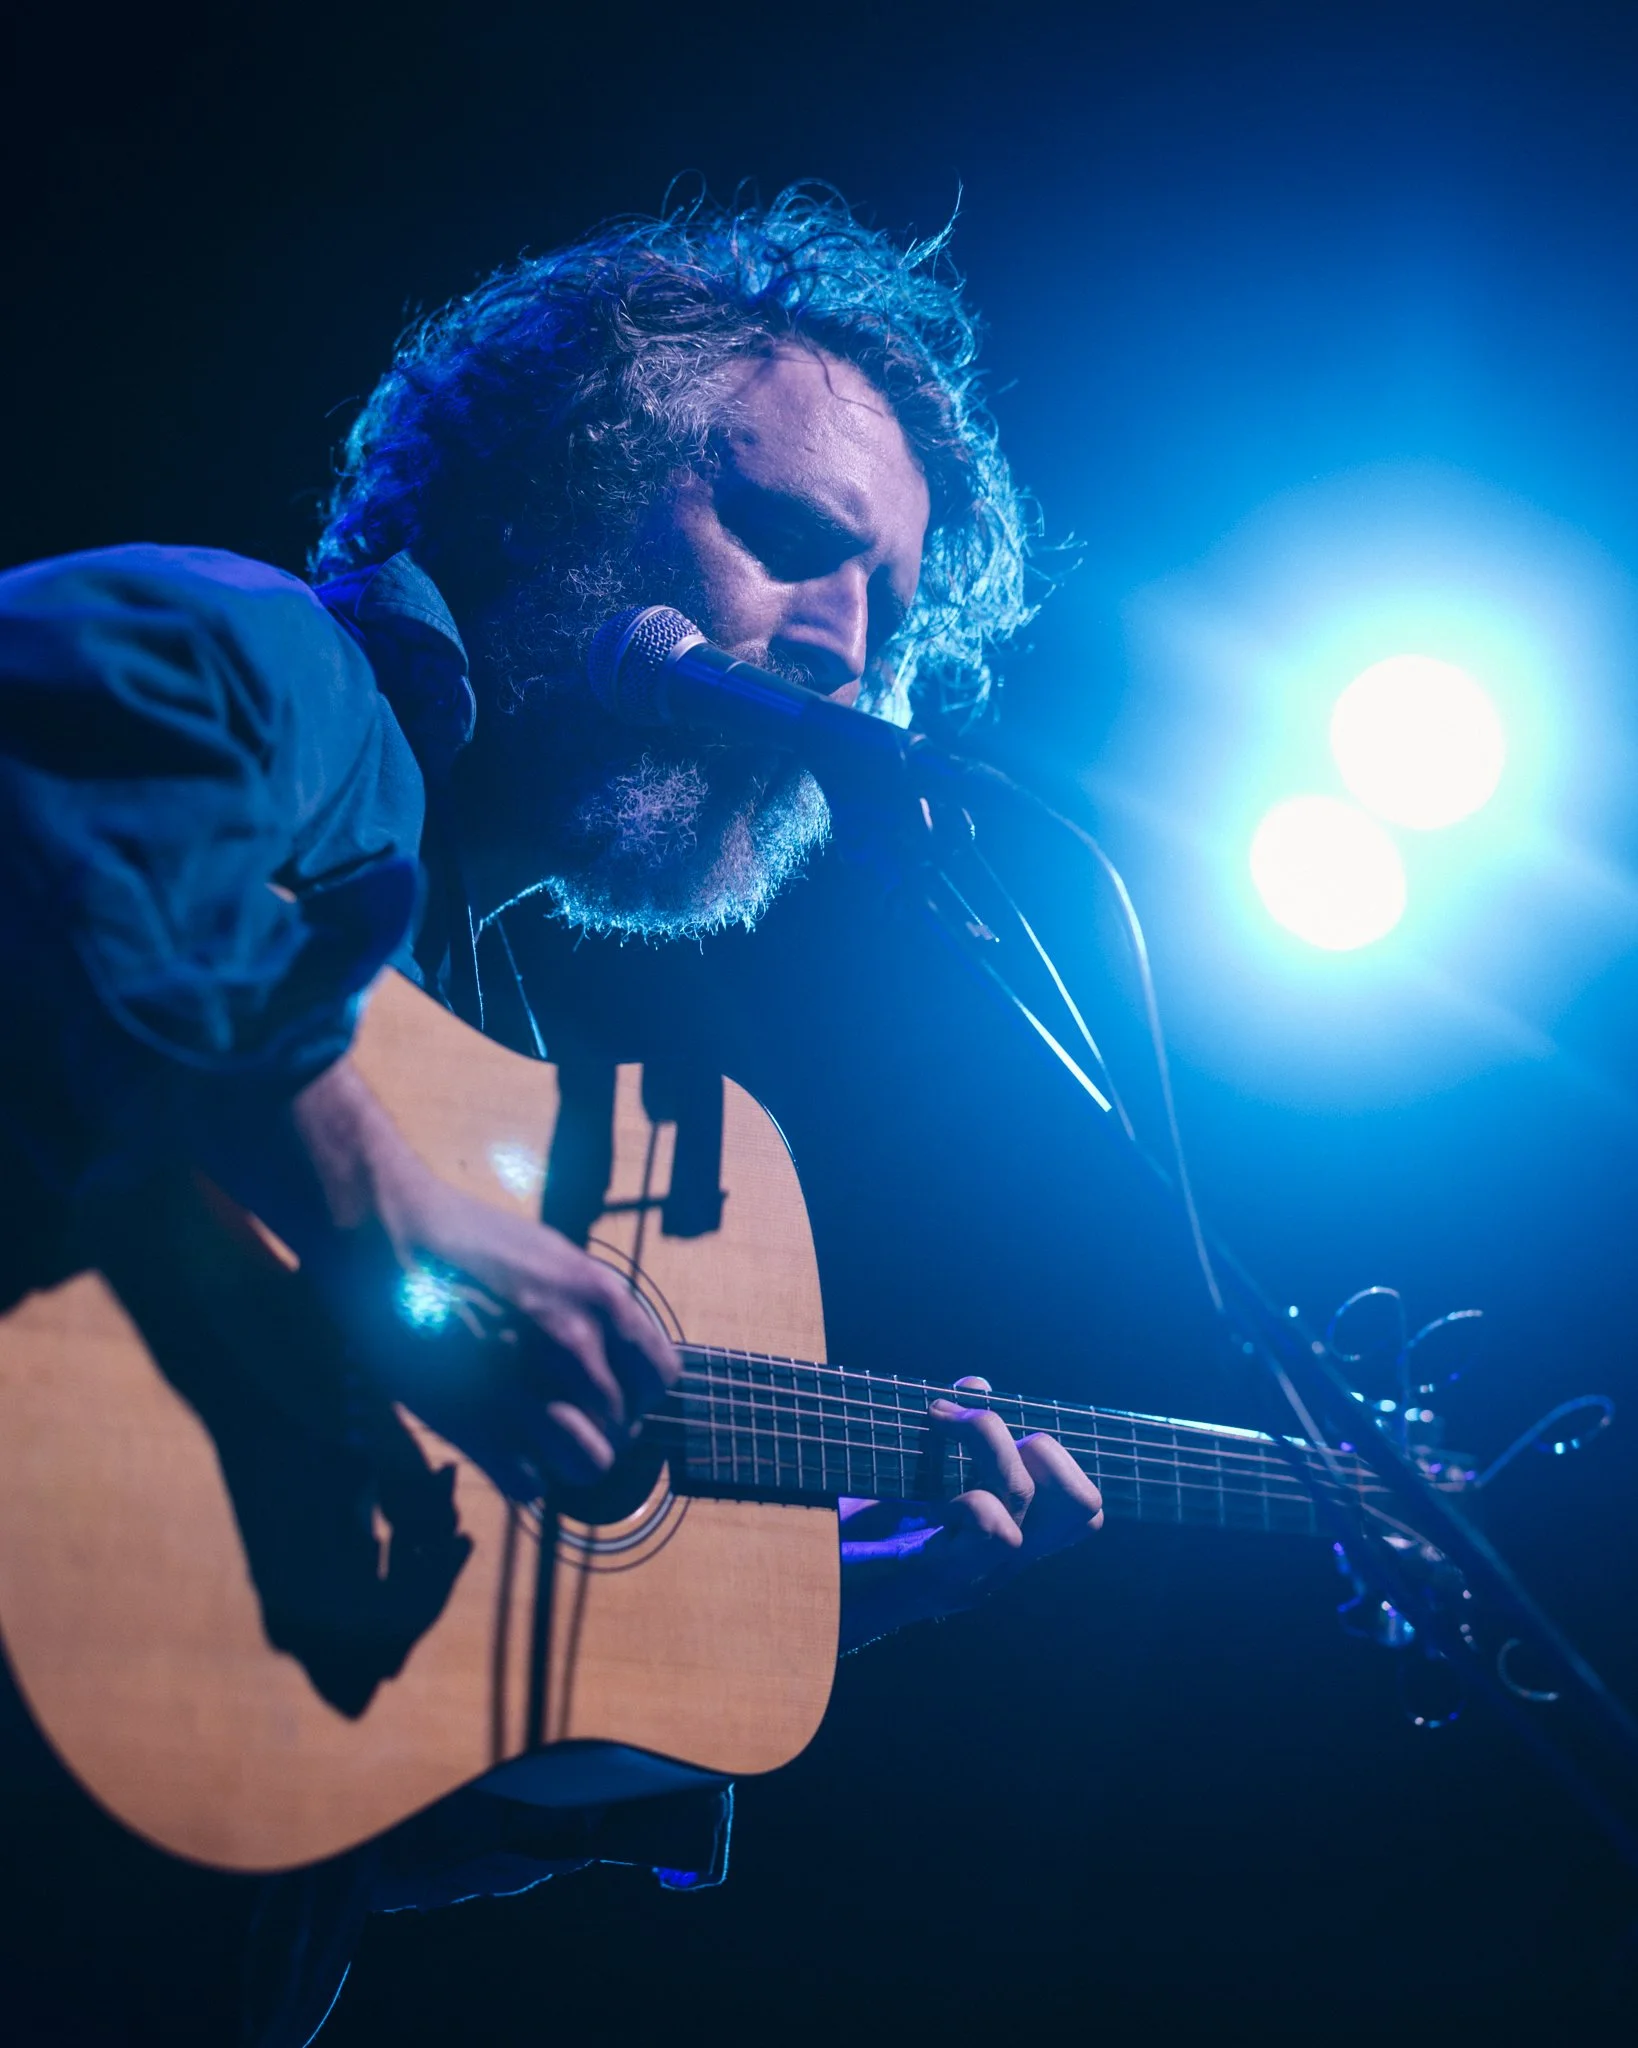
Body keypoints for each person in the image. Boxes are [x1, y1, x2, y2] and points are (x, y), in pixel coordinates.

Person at [0, 187, 1103, 2043]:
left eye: (886, 611)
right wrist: (394, 1223)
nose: (840, 646)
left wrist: (802, 1619)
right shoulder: (285, 672)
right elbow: (53, 745)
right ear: (544, 485)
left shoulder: (475, 1027)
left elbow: (314, 1792)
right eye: (782, 538)